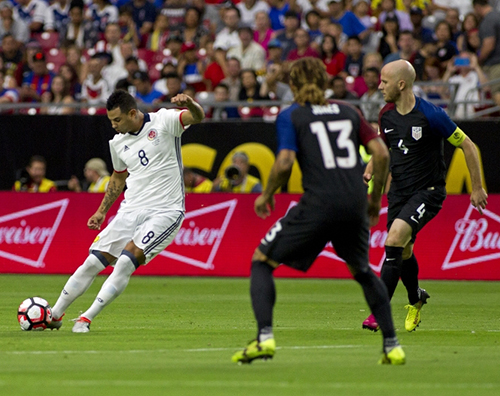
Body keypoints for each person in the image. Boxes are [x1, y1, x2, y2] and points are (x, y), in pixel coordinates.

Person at [231, 57, 405, 365]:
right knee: (363, 271)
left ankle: (264, 339)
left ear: (294, 86)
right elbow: (380, 152)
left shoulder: (292, 115)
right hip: (353, 203)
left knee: (261, 262)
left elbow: (284, 162)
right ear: (324, 82)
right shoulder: (349, 111)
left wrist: (266, 195)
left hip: (318, 203)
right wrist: (375, 200)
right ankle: (392, 345)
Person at [47, 89, 205, 332]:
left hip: (166, 211)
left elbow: (197, 117)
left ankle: (85, 318)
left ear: (133, 113)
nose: (113, 125)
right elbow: (118, 179)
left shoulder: (164, 121)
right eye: (110, 120)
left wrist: (190, 104)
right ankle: (54, 314)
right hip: (130, 210)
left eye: (117, 120)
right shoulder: (118, 143)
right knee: (91, 263)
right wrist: (101, 211)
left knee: (125, 262)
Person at [361, 60, 488, 333]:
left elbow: (467, 145)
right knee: (403, 250)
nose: (379, 86)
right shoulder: (386, 114)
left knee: (394, 240)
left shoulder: (432, 115)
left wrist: (476, 187)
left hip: (428, 192)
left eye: (384, 81)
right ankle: (415, 298)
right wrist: (372, 165)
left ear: (401, 84)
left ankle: (377, 312)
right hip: (399, 193)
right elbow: (386, 143)